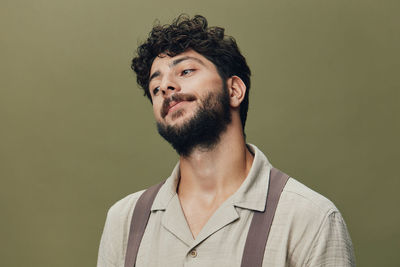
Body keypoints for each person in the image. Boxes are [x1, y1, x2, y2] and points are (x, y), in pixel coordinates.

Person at [97, 15, 355, 266]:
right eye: (155, 88)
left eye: (185, 71)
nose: (166, 87)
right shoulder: (124, 220)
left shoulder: (310, 218)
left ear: (234, 90)